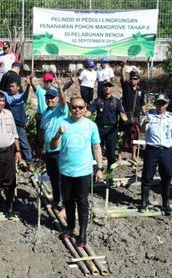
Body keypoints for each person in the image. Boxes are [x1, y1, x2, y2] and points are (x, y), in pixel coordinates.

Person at [49, 96, 103, 248]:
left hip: (84, 171)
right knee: (68, 201)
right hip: (66, 171)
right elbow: (53, 146)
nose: (77, 109)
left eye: (80, 107)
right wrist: (58, 134)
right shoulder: (63, 123)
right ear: (70, 108)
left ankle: (83, 234)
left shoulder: (91, 125)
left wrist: (99, 168)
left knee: (82, 203)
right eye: (74, 107)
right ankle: (70, 226)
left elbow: (97, 147)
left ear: (85, 108)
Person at [138, 94, 172, 215]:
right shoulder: (149, 115)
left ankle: (166, 203)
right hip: (152, 149)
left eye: (163, 103)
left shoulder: (171, 118)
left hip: (166, 151)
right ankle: (144, 202)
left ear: (167, 104)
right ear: (155, 103)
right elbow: (141, 130)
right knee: (147, 177)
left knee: (167, 177)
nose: (161, 106)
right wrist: (143, 123)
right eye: (158, 103)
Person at [0, 73, 34, 171]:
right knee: (10, 142)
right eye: (9, 86)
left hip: (19, 124)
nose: (10, 88)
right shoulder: (7, 95)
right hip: (10, 124)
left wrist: (28, 84)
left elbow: (26, 93)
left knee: (24, 143)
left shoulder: (21, 97)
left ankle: (29, 162)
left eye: (12, 86)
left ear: (18, 87)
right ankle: (12, 161)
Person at [39, 84, 68, 210]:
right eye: (48, 97)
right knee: (53, 177)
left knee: (62, 178)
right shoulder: (45, 113)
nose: (49, 99)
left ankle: (65, 203)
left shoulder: (61, 110)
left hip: (59, 150)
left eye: (52, 97)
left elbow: (63, 101)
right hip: (49, 150)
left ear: (56, 98)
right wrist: (42, 147)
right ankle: (57, 200)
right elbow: (43, 131)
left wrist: (60, 89)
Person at [88, 80, 127, 169]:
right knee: (96, 151)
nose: (107, 88)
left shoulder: (117, 101)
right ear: (103, 88)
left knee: (111, 154)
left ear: (112, 88)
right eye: (105, 86)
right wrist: (82, 115)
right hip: (99, 129)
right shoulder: (98, 100)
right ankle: (96, 172)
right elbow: (89, 112)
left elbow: (122, 113)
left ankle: (110, 175)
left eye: (109, 86)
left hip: (111, 130)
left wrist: (125, 118)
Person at [120, 67, 145, 160]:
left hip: (136, 116)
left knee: (135, 135)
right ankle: (119, 156)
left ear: (138, 80)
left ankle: (133, 155)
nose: (132, 80)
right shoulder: (126, 87)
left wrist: (145, 114)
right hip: (125, 115)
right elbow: (122, 77)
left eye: (135, 79)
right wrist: (123, 67)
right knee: (122, 135)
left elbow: (142, 104)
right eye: (131, 78)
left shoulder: (141, 91)